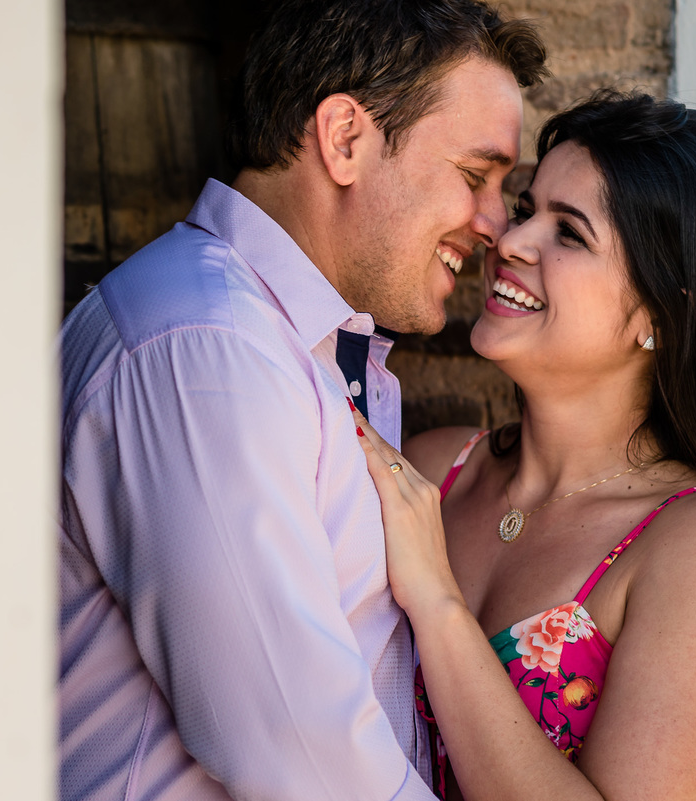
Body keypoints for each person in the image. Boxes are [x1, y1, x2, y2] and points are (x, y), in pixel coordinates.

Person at [58, 1, 548, 799]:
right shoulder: (203, 346)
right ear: (345, 138)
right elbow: (300, 750)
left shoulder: (301, 346)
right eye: (473, 176)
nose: (496, 224)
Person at [354, 90, 696, 800]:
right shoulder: (432, 466)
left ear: (662, 315)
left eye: (569, 233)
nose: (508, 241)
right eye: (527, 209)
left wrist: (437, 601)